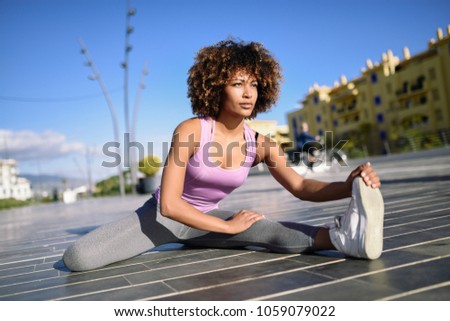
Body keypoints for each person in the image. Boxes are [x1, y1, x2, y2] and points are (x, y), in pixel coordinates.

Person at [63, 39, 384, 272]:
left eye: (255, 84)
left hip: (206, 221)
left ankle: (345, 238)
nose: (248, 92)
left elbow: (300, 187)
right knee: (78, 258)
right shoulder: (191, 130)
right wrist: (229, 228)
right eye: (237, 83)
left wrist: (349, 184)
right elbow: (170, 205)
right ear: (216, 87)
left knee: (266, 228)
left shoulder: (262, 144)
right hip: (160, 219)